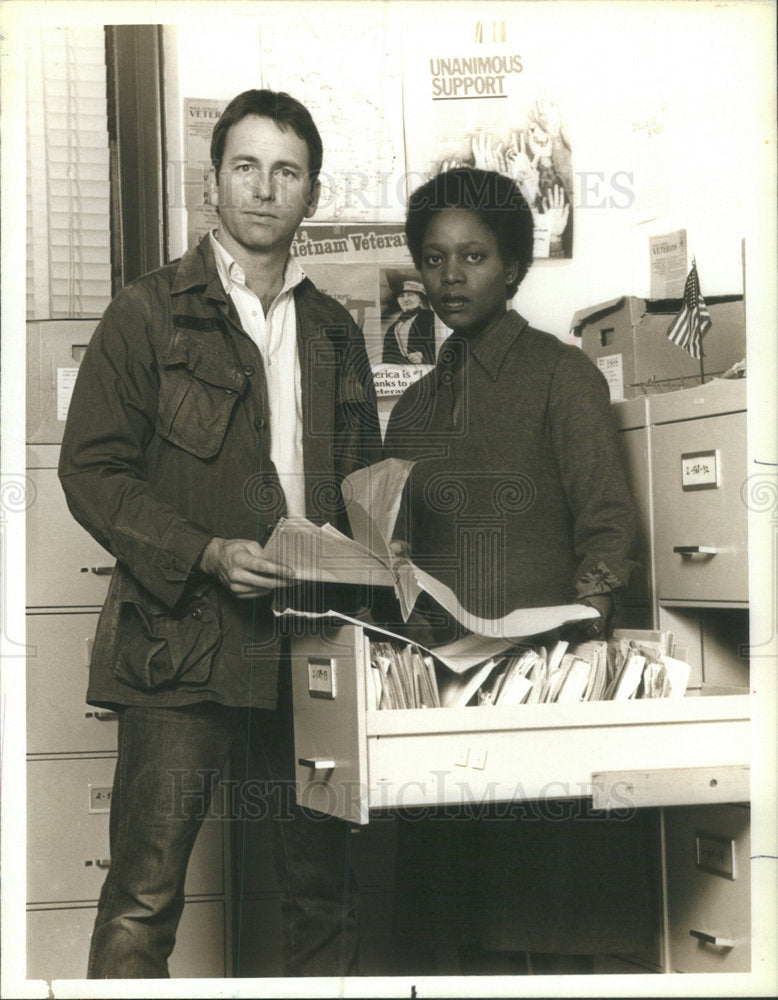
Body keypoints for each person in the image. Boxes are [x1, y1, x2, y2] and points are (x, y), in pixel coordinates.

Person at [58, 88, 382, 979]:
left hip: (309, 644)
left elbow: (364, 491)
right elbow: (90, 470)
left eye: (288, 171)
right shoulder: (147, 311)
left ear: (312, 194)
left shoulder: (332, 330)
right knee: (142, 900)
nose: (265, 189)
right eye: (246, 167)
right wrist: (204, 553)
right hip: (179, 645)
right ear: (212, 185)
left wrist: (374, 559)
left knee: (322, 893)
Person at [381, 167, 656, 974]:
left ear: (513, 267)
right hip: (443, 696)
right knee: (451, 939)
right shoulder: (416, 407)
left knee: (547, 930)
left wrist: (573, 670)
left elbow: (606, 529)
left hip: (543, 693)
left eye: (473, 257)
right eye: (433, 259)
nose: (450, 277)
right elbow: (397, 545)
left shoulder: (560, 375)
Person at [381, 278, 436, 365]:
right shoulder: (393, 328)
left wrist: (424, 356)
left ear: (420, 299)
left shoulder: (431, 318)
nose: (405, 300)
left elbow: (442, 346)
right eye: (401, 296)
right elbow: (387, 358)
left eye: (410, 294)